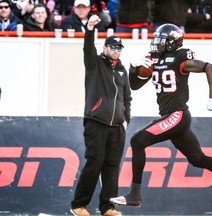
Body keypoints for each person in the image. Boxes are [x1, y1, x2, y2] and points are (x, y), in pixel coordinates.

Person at [109, 23, 212, 209]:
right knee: (198, 159)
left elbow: (210, 67)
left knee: (138, 140)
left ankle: (134, 195)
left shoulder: (179, 57)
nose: (157, 43)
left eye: (161, 40)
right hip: (171, 116)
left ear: (173, 42)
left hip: (177, 114)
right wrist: (133, 67)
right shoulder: (154, 58)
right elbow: (135, 85)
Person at [70, 14, 132, 216]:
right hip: (96, 122)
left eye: (119, 48)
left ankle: (107, 207)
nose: (116, 51)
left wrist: (125, 120)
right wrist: (89, 29)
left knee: (112, 168)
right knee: (94, 163)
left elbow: (127, 98)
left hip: (117, 127)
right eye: (112, 47)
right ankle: (78, 205)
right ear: (105, 47)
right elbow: (88, 47)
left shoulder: (122, 71)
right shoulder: (95, 63)